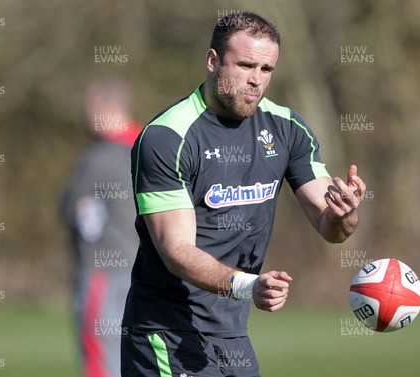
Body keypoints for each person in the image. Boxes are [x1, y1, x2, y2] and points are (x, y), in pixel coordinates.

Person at [121, 12, 366, 377]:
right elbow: (176, 251)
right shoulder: (167, 137)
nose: (256, 80)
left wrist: (343, 213)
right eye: (246, 65)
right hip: (167, 333)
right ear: (212, 60)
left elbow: (330, 226)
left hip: (233, 335)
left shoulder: (287, 129)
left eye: (267, 69)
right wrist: (248, 286)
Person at [61, 79, 143, 377]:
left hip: (103, 271)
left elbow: (69, 207)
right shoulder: (151, 145)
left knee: (101, 357)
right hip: (145, 272)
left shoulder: (100, 157)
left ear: (104, 109)